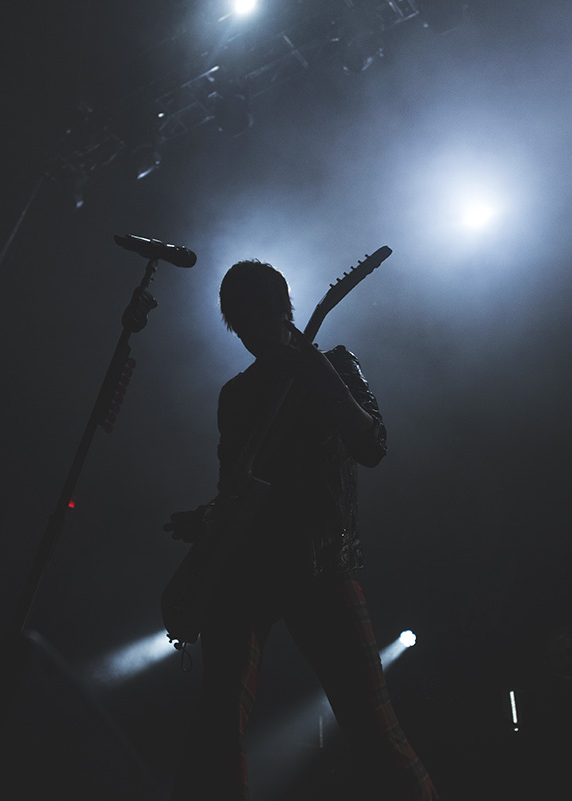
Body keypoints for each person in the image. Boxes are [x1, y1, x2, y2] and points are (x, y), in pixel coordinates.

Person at [165, 259, 438, 801]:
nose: (245, 335)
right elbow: (235, 489)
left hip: (320, 563)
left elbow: (373, 447)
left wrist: (324, 381)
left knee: (371, 725)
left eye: (251, 320)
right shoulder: (236, 395)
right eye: (235, 325)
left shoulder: (334, 364)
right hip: (244, 568)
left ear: (282, 310)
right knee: (218, 725)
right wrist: (205, 520)